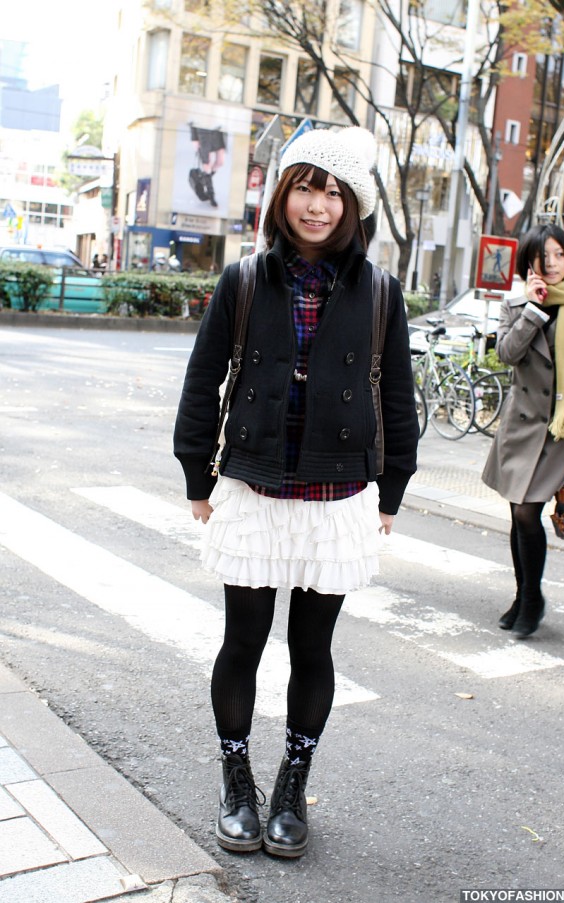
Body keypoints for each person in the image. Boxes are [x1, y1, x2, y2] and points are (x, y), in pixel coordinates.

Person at [173, 126, 419, 858]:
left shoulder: (378, 292)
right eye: (304, 188)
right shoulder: (244, 280)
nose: (317, 205)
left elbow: (399, 398)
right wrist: (197, 473)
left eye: (333, 192)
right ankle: (237, 779)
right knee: (242, 641)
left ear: (352, 206)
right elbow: (201, 380)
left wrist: (393, 487)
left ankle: (291, 783)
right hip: (252, 483)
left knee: (314, 648)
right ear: (282, 196)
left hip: (337, 492)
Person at [482, 223, 564, 639]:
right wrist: (532, 311)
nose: (550, 263)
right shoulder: (516, 306)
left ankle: (531, 600)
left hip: (562, 432)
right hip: (522, 427)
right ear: (528, 261)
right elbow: (507, 354)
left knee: (527, 511)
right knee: (518, 512)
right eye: (541, 255)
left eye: (558, 254)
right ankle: (524, 595)